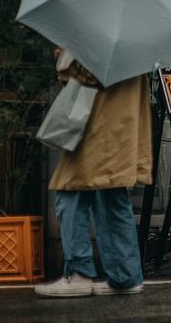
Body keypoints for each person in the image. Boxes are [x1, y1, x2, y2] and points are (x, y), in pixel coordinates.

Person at [36, 48, 152, 297]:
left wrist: (65, 61)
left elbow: (91, 74)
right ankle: (125, 275)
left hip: (99, 125)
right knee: (112, 195)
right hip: (122, 125)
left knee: (70, 189)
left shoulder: (105, 37)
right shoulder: (138, 39)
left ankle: (78, 273)